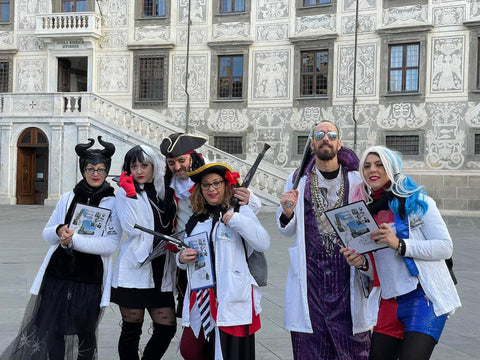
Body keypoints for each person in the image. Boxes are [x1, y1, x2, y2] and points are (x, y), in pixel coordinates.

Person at [0, 136, 121, 360]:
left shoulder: (113, 203)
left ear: (107, 171)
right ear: (83, 170)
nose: (96, 173)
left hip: (90, 278)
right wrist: (58, 231)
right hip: (58, 274)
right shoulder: (68, 197)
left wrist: (74, 241)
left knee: (85, 331)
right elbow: (47, 232)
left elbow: (110, 245)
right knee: (53, 329)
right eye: (90, 168)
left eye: (101, 169)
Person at [341, 146, 461, 360]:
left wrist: (400, 244)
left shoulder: (418, 202)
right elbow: (379, 269)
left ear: (392, 167)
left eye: (379, 164)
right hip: (389, 300)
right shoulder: (365, 213)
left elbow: (445, 246)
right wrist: (361, 263)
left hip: (423, 298)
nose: (372, 170)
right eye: (367, 166)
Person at [276, 121, 376, 360]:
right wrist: (287, 212)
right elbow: (287, 230)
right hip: (311, 278)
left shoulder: (356, 180)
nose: (325, 139)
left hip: (346, 274)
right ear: (312, 144)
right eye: (319, 135)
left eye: (331, 135)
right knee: (311, 350)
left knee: (353, 350)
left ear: (339, 143)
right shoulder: (297, 179)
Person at [160, 133, 262, 316]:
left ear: (193, 156)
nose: (177, 167)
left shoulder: (215, 174)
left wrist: (247, 198)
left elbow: (253, 206)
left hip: (221, 252)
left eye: (181, 160)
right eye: (171, 163)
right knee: (191, 311)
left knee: (219, 308)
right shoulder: (168, 183)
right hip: (190, 254)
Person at [177, 163, 270, 360]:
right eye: (206, 185)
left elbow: (263, 242)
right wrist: (181, 258)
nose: (211, 189)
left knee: (227, 353)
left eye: (216, 183)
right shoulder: (196, 219)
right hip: (201, 295)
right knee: (190, 349)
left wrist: (235, 219)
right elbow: (186, 252)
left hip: (230, 295)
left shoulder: (240, 212)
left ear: (226, 185)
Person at [111, 144, 177, 360]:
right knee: (132, 330)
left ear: (153, 167)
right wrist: (130, 194)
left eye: (144, 165)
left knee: (166, 327)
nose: (139, 170)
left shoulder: (165, 190)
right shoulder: (125, 192)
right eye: (134, 165)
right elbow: (131, 228)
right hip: (135, 267)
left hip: (161, 266)